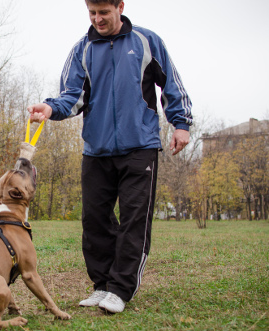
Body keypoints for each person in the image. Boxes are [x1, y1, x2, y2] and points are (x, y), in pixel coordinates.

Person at [28, 0, 192, 314]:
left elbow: (171, 82)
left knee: (134, 221)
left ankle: (120, 289)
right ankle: (101, 285)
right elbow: (71, 96)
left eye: (104, 12)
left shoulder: (146, 41)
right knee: (94, 220)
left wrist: (180, 123)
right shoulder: (83, 49)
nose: (97, 19)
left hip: (139, 146)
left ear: (119, 6)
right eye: (92, 13)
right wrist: (50, 108)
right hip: (97, 148)